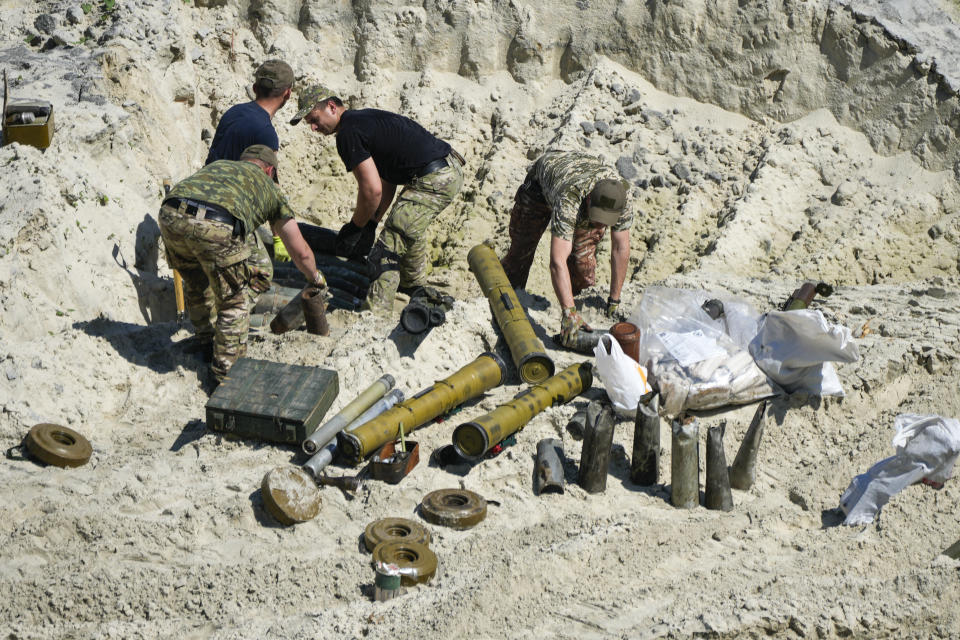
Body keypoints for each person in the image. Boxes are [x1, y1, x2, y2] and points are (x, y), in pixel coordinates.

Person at [289, 85, 464, 313]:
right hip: (444, 171)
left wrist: (355, 228)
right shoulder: (364, 120)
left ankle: (374, 316)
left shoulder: (348, 133)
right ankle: (415, 290)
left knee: (386, 252)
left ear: (331, 107)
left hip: (434, 178)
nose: (313, 128)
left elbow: (372, 191)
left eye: (314, 119)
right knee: (407, 231)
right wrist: (371, 223)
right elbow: (386, 181)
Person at [159, 145, 326, 383]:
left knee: (197, 282)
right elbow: (301, 252)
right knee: (233, 301)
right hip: (217, 223)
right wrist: (315, 278)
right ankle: (226, 376)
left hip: (171, 214)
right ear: (270, 170)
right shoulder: (270, 187)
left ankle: (207, 341)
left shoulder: (219, 166)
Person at [499, 150, 632, 350]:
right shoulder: (570, 198)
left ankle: (577, 315)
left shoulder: (621, 197)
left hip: (582, 180)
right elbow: (557, 260)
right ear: (589, 201)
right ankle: (505, 304)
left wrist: (614, 299)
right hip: (542, 185)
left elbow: (621, 247)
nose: (597, 223)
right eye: (596, 217)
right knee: (522, 249)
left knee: (582, 264)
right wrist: (568, 312)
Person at [205, 59, 294, 262]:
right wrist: (279, 239)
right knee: (260, 273)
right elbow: (270, 190)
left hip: (203, 200)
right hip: (227, 218)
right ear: (287, 93)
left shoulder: (233, 112)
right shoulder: (265, 132)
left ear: (255, 88)